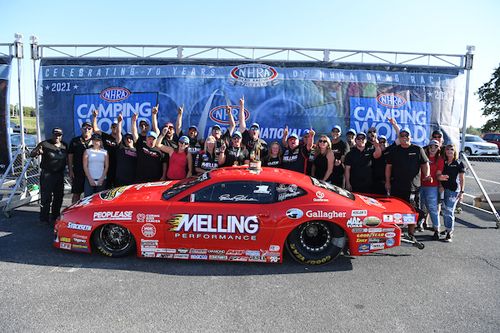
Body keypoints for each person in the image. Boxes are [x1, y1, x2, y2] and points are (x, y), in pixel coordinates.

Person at [385, 127, 431, 241]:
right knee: (395, 210)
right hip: (396, 186)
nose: (404, 137)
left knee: (412, 211)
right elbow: (388, 167)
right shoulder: (394, 151)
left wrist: (427, 175)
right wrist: (387, 182)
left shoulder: (417, 149)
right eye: (402, 135)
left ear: (410, 136)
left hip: (413, 187)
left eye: (407, 135)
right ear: (399, 137)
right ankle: (394, 232)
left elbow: (425, 164)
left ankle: (410, 234)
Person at [30, 127, 68, 227]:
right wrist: (37, 153)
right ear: (51, 135)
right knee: (46, 198)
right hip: (47, 175)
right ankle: (43, 219)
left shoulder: (64, 145)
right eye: (55, 135)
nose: (57, 137)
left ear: (61, 136)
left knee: (59, 197)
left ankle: (55, 217)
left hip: (59, 175)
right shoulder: (44, 144)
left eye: (59, 135)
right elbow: (31, 154)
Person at [437, 144, 465, 242]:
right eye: (447, 149)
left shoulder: (459, 163)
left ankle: (449, 232)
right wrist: (440, 186)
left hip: (454, 190)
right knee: (444, 211)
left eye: (451, 149)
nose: (449, 151)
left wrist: (461, 192)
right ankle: (446, 228)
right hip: (443, 190)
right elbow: (439, 175)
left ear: (455, 151)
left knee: (449, 211)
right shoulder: (443, 162)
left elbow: (461, 179)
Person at [132, 111, 167, 183]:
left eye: (153, 139)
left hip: (155, 179)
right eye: (149, 139)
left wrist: (163, 176)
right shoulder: (140, 145)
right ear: (146, 139)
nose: (151, 141)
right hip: (140, 178)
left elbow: (164, 163)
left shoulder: (159, 150)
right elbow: (134, 133)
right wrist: (134, 121)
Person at [420, 139, 444, 238]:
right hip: (420, 185)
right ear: (428, 147)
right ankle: (420, 225)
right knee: (421, 207)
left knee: (432, 208)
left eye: (435, 146)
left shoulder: (440, 160)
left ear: (438, 148)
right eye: (431, 146)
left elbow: (438, 174)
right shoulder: (423, 157)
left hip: (432, 187)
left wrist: (440, 185)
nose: (433, 148)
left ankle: (436, 229)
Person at [92, 108, 119, 189]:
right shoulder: (106, 136)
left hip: (117, 167)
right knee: (107, 188)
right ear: (111, 127)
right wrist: (94, 117)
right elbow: (95, 129)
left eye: (117, 126)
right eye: (114, 126)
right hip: (106, 165)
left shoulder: (121, 140)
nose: (115, 128)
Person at [68, 121, 93, 203]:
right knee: (76, 194)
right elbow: (70, 156)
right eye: (85, 128)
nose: (87, 130)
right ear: (81, 129)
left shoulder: (96, 141)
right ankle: (73, 213)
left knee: (91, 196)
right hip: (78, 171)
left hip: (92, 172)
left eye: (89, 128)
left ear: (92, 129)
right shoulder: (75, 141)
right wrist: (71, 171)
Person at [115, 113, 137, 186]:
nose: (129, 140)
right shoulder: (121, 147)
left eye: (130, 138)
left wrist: (133, 121)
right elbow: (118, 134)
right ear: (124, 140)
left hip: (133, 179)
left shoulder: (137, 150)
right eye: (127, 138)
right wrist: (119, 122)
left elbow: (135, 133)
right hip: (120, 179)